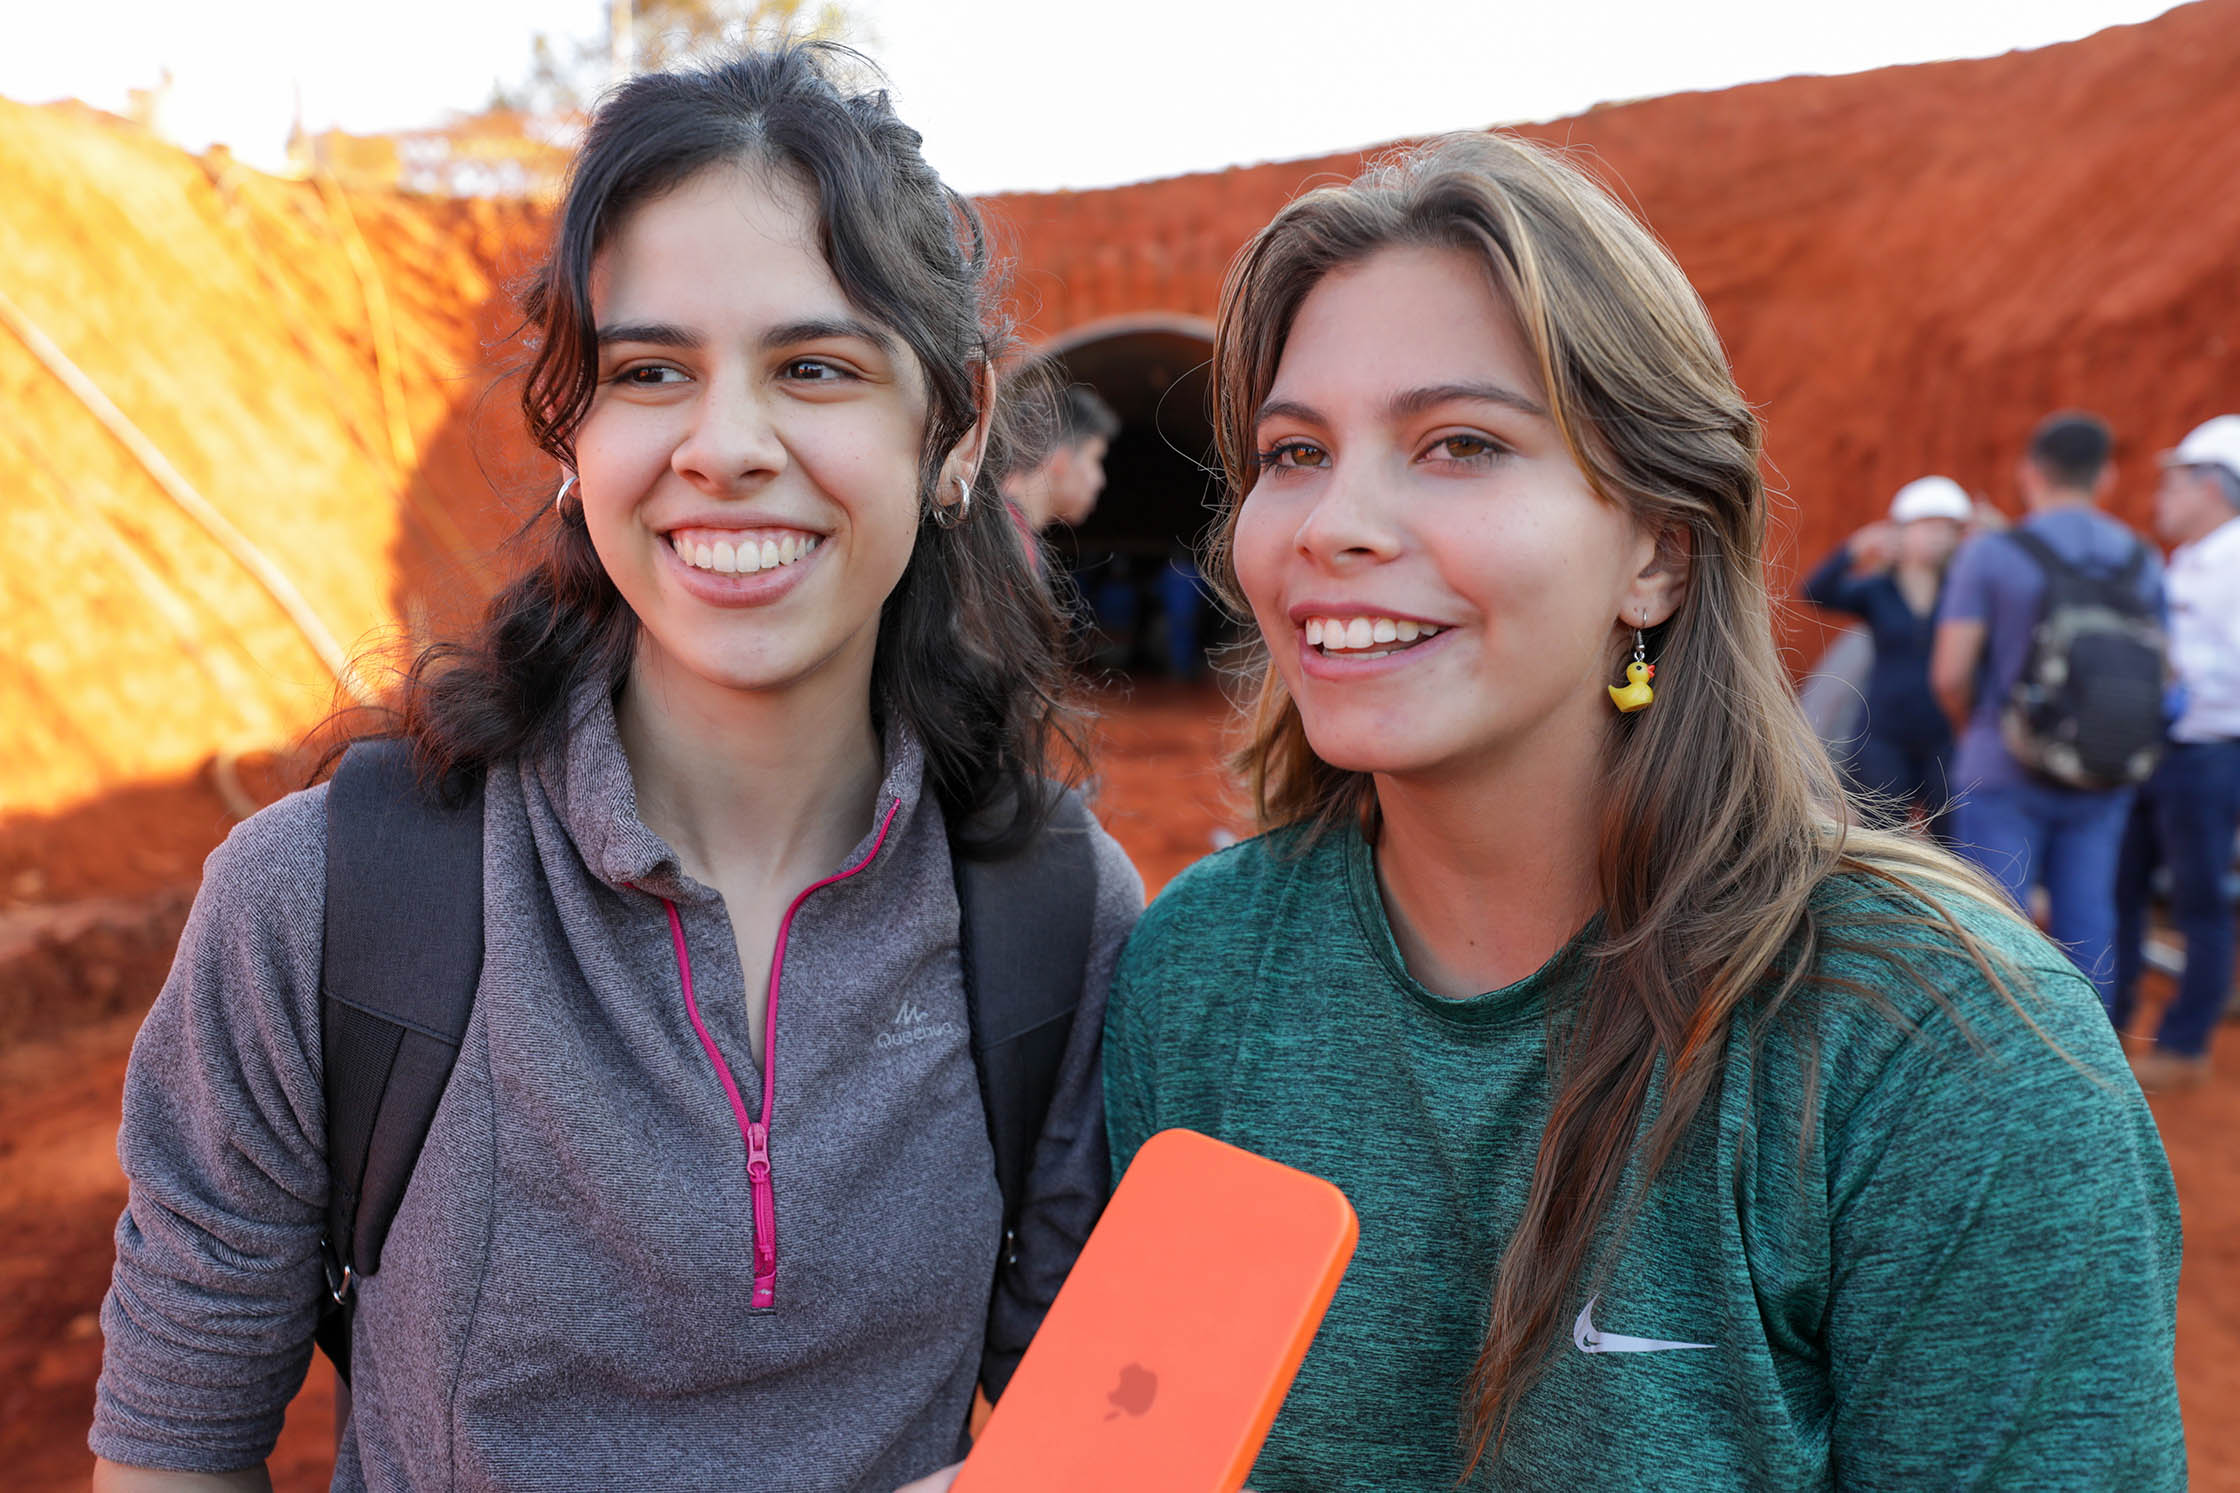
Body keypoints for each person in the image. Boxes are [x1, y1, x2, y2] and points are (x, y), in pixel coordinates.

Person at [90, 45, 1141, 1493]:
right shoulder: (328, 902)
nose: (724, 446)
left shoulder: (1054, 920)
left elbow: (1076, 1444)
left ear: (952, 428)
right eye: (650, 371)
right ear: (572, 433)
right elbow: (172, 1455)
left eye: (815, 366)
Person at [1103, 133, 2182, 1490]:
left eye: (1459, 444)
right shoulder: (1201, 972)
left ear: (1660, 553)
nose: (1335, 522)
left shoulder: (1944, 1052)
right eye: (1293, 450)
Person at [1931, 411, 2165, 1003]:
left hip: (2003, 764)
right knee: (2090, 923)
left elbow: (1950, 672)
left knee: (1997, 925)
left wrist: (1978, 732)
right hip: (2104, 768)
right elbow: (2163, 668)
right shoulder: (2142, 560)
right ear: (2105, 477)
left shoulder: (1992, 554)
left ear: (2031, 471)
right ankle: (2094, 1075)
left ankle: (2001, 1077)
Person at [2113, 414, 2240, 1088]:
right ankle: (2116, 1027)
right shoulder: (2190, 558)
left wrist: (2172, 677)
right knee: (2123, 886)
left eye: (2178, 478)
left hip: (2207, 755)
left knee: (2198, 902)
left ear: (2215, 484)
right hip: (2159, 751)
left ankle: (2186, 1045)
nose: (2163, 492)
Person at [1801, 475, 1971, 835]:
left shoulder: (1963, 592)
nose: (1938, 536)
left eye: (1948, 528)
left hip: (1942, 737)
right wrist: (1855, 550)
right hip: (1884, 736)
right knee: (1884, 834)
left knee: (1952, 839)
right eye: (1928, 525)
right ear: (1902, 531)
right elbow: (1815, 592)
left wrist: (1996, 543)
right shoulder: (1878, 591)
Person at [996, 374, 1119, 553]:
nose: (1100, 480)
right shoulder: (1004, 537)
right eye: (1095, 460)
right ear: (1061, 460)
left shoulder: (999, 521)